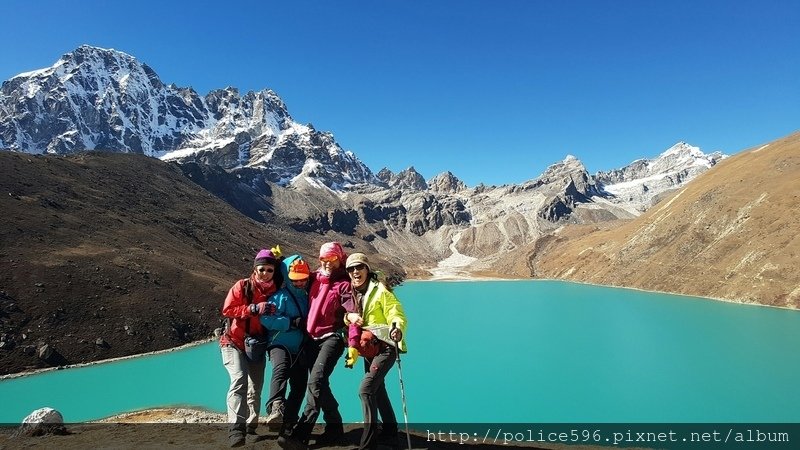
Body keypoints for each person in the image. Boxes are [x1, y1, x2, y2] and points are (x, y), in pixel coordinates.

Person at [278, 242, 352, 449]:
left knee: (316, 381)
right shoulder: (313, 278)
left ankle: (301, 434)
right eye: (323, 259)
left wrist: (353, 326)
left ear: (339, 259)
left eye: (332, 259)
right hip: (311, 338)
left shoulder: (344, 284)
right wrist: (275, 261)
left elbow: (352, 309)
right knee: (321, 384)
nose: (327, 263)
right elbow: (289, 274)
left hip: (333, 338)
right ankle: (335, 426)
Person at [344, 252, 408, 450]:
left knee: (366, 390)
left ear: (367, 269)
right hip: (369, 348)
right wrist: (349, 318)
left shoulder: (380, 290)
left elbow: (395, 311)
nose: (355, 272)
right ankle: (389, 432)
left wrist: (396, 327)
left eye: (359, 267)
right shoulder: (351, 292)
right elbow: (347, 317)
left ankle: (368, 444)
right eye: (351, 269)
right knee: (377, 390)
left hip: (386, 346)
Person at [220, 247, 281, 447]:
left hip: (257, 345)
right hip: (233, 342)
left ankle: (250, 426)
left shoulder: (276, 290)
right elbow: (227, 310)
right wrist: (253, 309)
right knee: (239, 380)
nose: (265, 273)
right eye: (261, 269)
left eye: (269, 270)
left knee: (255, 386)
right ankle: (235, 430)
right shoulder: (242, 286)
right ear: (255, 269)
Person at [260, 255, 311, 435]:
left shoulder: (307, 297)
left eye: (303, 280)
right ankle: (276, 408)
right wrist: (290, 322)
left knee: (299, 384)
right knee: (280, 370)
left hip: (299, 347)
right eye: (296, 280)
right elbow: (266, 318)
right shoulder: (279, 297)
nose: (300, 283)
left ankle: (289, 420)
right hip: (279, 343)